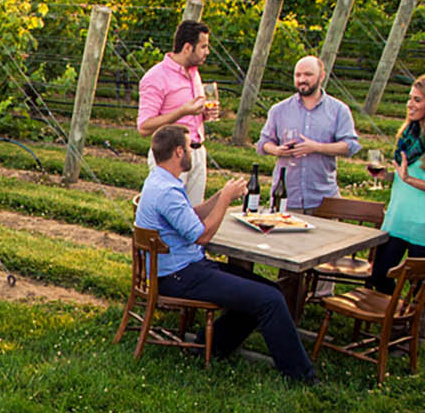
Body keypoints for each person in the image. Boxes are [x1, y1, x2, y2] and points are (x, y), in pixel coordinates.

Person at [134, 124, 318, 384]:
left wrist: (221, 195)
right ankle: (301, 377)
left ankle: (213, 345)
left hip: (183, 268)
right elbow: (202, 235)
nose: (192, 153)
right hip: (179, 276)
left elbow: (190, 217)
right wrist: (224, 201)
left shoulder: (160, 180)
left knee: (268, 292)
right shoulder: (167, 191)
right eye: (190, 148)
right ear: (178, 152)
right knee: (269, 300)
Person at [366, 74, 425, 311]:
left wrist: (410, 179)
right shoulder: (409, 135)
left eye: (417, 100)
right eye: (410, 98)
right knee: (379, 275)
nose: (410, 104)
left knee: (420, 286)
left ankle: (416, 332)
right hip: (397, 220)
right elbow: (403, 177)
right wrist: (388, 176)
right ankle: (396, 315)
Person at [256, 54, 361, 212]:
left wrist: (317, 147)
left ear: (322, 76)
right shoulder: (279, 110)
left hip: (323, 199)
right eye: (298, 75)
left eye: (308, 74)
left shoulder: (339, 110)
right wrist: (276, 150)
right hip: (286, 196)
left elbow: (350, 146)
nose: (302, 79)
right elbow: (263, 143)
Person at [138, 20, 214, 203]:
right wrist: (182, 112)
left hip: (196, 152)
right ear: (188, 47)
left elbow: (192, 115)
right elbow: (144, 127)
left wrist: (204, 114)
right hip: (170, 156)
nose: (207, 52)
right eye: (203, 47)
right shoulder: (155, 77)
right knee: (169, 218)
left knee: (193, 217)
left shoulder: (194, 73)